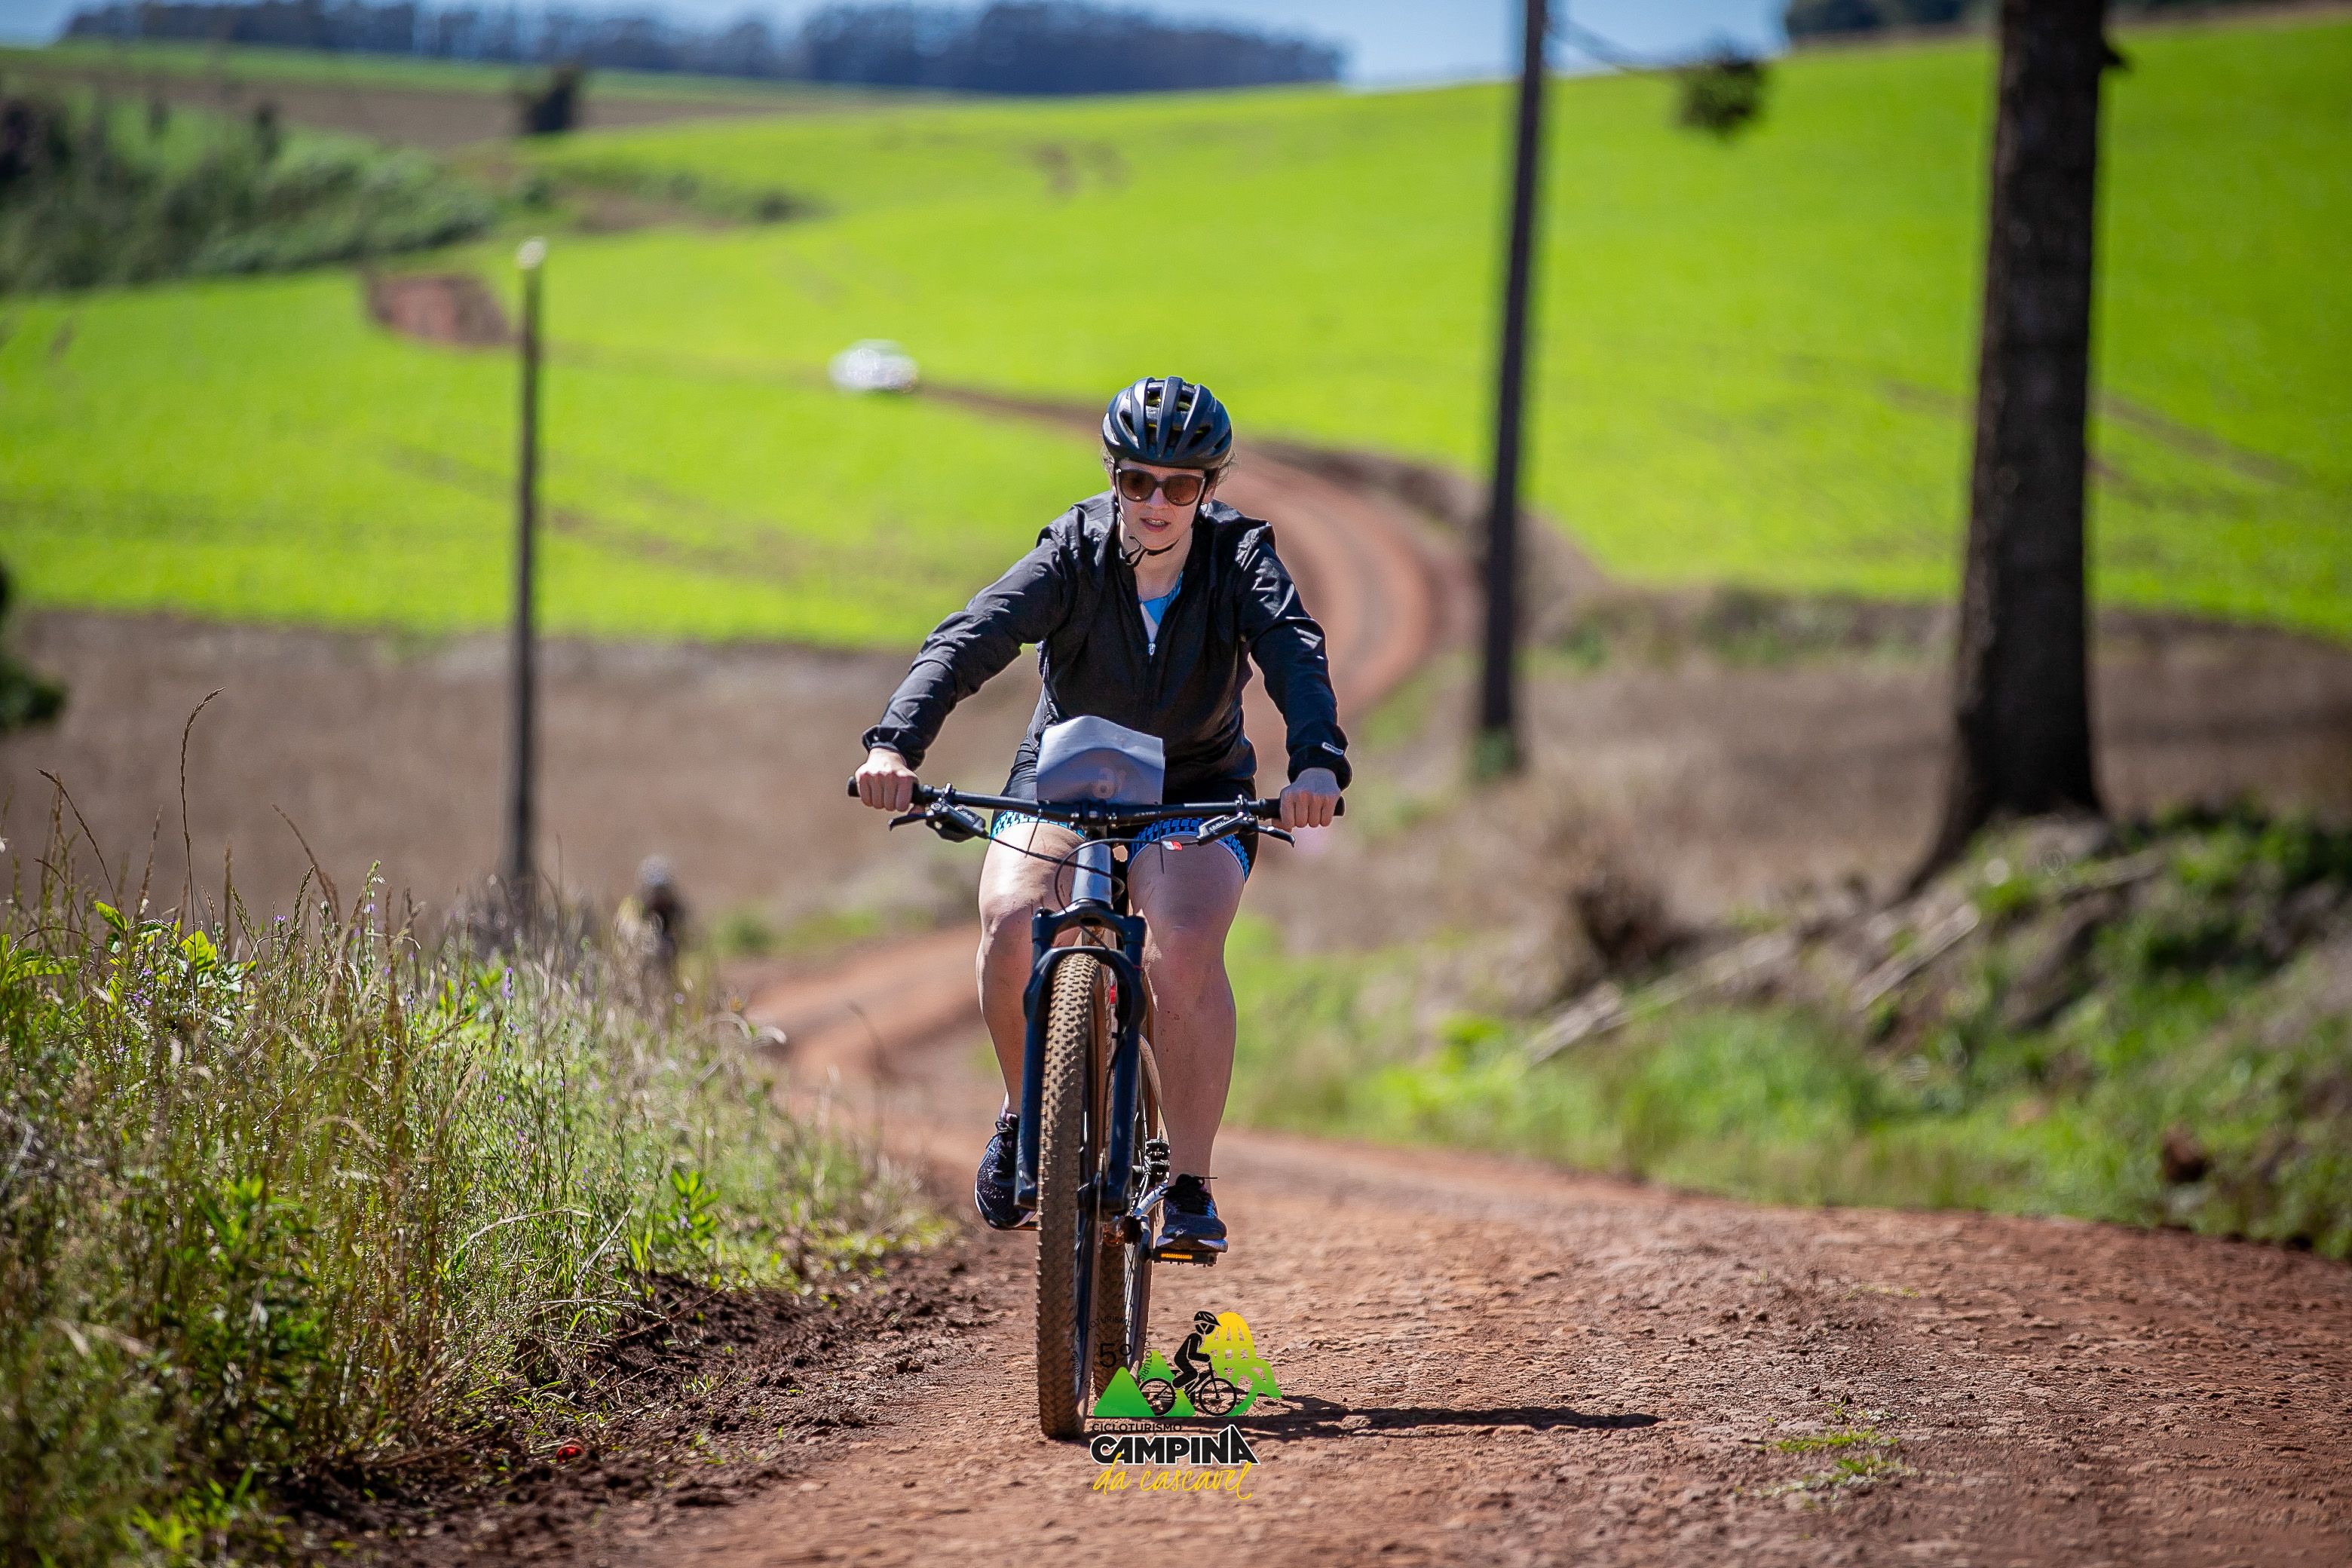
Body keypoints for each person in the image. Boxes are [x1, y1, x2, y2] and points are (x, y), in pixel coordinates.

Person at [853, 375, 1348, 1255]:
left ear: (1208, 488)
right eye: (1136, 480)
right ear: (1112, 476)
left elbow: (1294, 651)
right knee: (1012, 918)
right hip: (1064, 776)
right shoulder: (1071, 554)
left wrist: (1316, 760)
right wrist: (895, 745)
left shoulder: (1239, 560)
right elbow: (969, 640)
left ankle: (1188, 1183)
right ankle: (1024, 1116)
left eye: (1180, 485)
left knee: (1180, 949)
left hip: (1195, 788)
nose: (1156, 502)